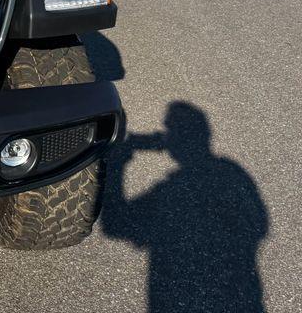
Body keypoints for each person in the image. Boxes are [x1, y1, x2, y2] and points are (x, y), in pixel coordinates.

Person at [102, 102, 267, 313]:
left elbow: (115, 225)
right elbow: (260, 225)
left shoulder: (173, 188)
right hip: (243, 297)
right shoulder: (231, 171)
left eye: (168, 129)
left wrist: (117, 164)